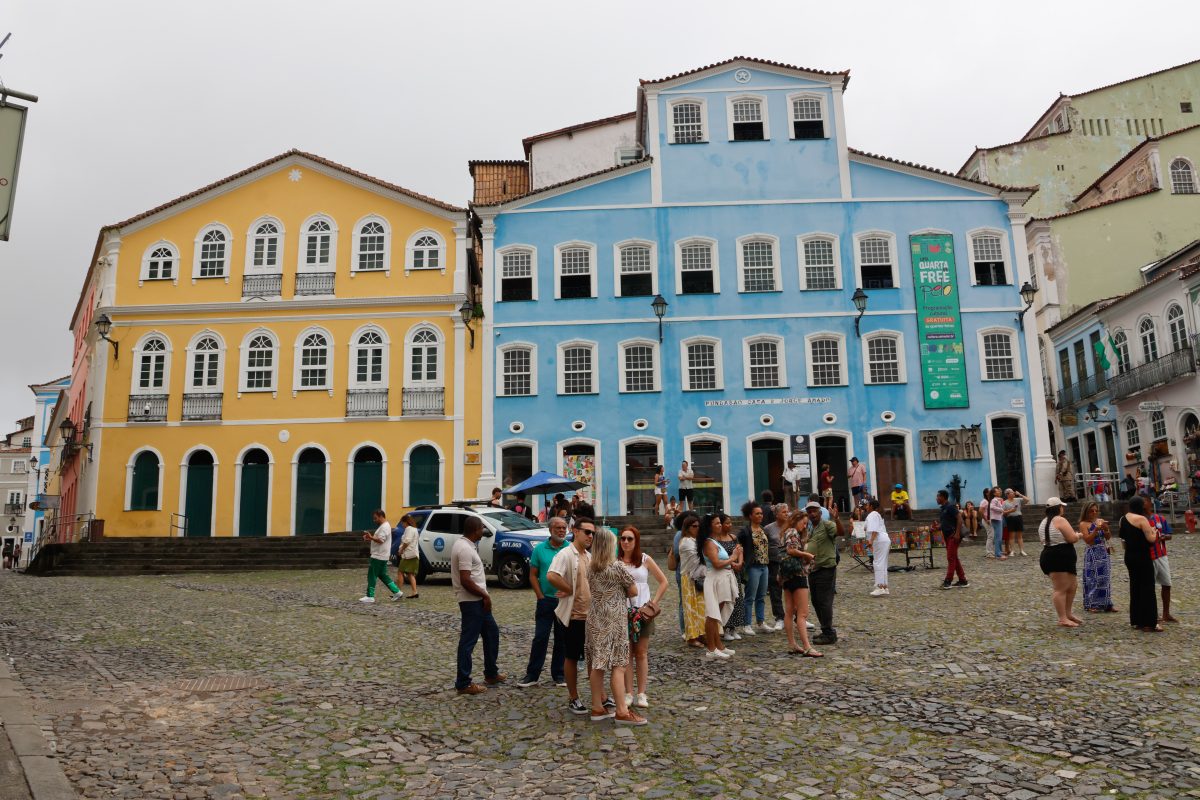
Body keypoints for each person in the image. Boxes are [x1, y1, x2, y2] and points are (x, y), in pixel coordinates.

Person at [547, 517, 609, 715]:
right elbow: (552, 575)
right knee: (572, 657)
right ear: (575, 531)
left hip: (591, 616)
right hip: (574, 616)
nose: (591, 536)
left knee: (594, 658)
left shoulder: (589, 556)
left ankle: (600, 696)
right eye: (587, 532)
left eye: (593, 533)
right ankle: (573, 698)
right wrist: (569, 589)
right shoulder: (566, 554)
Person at [584, 527, 645, 725]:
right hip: (614, 621)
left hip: (595, 619)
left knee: (597, 664)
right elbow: (633, 591)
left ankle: (597, 707)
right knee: (619, 665)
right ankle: (621, 711)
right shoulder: (617, 567)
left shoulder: (590, 567)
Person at [452, 517, 504, 694]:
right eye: (482, 528)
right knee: (468, 641)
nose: (483, 530)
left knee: (492, 633)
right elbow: (466, 580)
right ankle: (463, 683)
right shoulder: (464, 549)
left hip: (478, 601)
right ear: (475, 530)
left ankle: (491, 673)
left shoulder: (467, 545)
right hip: (472, 601)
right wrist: (484, 595)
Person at [517, 517, 570, 689]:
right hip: (545, 600)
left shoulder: (569, 549)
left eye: (564, 527)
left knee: (562, 639)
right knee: (540, 637)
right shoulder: (539, 549)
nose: (562, 530)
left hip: (563, 601)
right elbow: (533, 574)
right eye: (558, 528)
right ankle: (532, 674)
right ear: (550, 530)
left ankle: (559, 674)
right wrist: (539, 595)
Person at [618, 526, 667, 709]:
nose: (626, 542)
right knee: (626, 654)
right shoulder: (616, 562)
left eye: (630, 539)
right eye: (623, 538)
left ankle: (641, 693)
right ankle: (628, 692)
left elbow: (664, 581)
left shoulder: (645, 559)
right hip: (623, 612)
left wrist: (652, 604)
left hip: (643, 613)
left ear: (636, 541)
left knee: (641, 653)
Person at [697, 513, 740, 659]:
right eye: (716, 523)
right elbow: (716, 563)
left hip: (721, 579)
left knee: (717, 615)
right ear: (709, 526)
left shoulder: (715, 542)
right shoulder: (709, 543)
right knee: (712, 615)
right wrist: (733, 558)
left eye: (720, 523)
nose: (720, 525)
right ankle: (711, 648)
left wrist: (733, 560)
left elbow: (722, 561)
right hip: (714, 579)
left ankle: (719, 646)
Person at [778, 511, 820, 656]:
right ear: (796, 520)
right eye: (804, 522)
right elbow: (791, 550)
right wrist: (806, 555)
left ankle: (792, 644)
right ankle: (807, 647)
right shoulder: (793, 532)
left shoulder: (785, 532)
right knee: (802, 613)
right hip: (797, 574)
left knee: (789, 611)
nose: (805, 526)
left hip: (786, 575)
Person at [1037, 497, 1083, 628]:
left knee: (1072, 585)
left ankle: (1068, 614)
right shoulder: (1060, 520)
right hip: (1058, 556)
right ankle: (1063, 618)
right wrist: (1078, 535)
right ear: (1058, 508)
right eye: (1062, 506)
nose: (1063, 509)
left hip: (1054, 554)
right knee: (1060, 589)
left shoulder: (1044, 522)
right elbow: (1072, 538)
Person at [804, 500, 844, 645]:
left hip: (826, 568)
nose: (812, 514)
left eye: (815, 511)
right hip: (814, 569)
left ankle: (828, 633)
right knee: (816, 601)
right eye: (809, 512)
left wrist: (837, 518)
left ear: (820, 513)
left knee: (824, 601)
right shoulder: (811, 529)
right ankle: (826, 630)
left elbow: (841, 532)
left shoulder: (827, 525)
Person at [1119, 497, 1161, 632]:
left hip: (1130, 555)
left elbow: (1123, 540)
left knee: (1135, 586)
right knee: (1147, 587)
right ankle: (1149, 622)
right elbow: (1151, 539)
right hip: (1142, 555)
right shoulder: (1142, 519)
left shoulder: (1123, 518)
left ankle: (1136, 620)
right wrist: (1154, 532)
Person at [737, 502, 774, 632]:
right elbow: (738, 545)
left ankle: (760, 622)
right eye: (757, 514)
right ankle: (746, 624)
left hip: (764, 566)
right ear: (750, 516)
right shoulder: (745, 531)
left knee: (761, 596)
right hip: (753, 567)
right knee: (750, 596)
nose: (760, 516)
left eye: (761, 513)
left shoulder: (763, 530)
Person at [674, 514, 707, 649]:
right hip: (688, 578)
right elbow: (699, 555)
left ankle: (701, 633)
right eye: (694, 526)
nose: (697, 528)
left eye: (699, 526)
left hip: (698, 577)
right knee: (690, 609)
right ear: (687, 528)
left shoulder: (696, 540)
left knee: (701, 607)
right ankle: (692, 637)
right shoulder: (686, 541)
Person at [1078, 502, 1115, 613]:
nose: (1094, 513)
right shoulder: (1083, 524)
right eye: (1091, 511)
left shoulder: (1100, 521)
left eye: (1096, 510)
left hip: (1103, 552)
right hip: (1092, 553)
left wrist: (1106, 529)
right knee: (1093, 578)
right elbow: (1088, 540)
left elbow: (1108, 537)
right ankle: (1092, 603)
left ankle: (1106, 603)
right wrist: (1095, 530)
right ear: (1086, 512)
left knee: (1105, 578)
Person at [713, 514, 746, 641]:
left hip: (735, 573)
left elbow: (739, 550)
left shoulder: (733, 537)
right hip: (724, 571)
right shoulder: (716, 540)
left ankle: (733, 628)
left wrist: (739, 563)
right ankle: (724, 628)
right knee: (726, 599)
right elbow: (719, 557)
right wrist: (732, 563)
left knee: (737, 599)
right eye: (727, 523)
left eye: (730, 523)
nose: (730, 525)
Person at [359, 510, 403, 603]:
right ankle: (397, 591)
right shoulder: (385, 526)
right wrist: (370, 538)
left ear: (381, 516)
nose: (374, 520)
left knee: (372, 575)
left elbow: (381, 540)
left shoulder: (384, 527)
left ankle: (370, 596)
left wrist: (371, 537)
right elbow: (380, 540)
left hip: (378, 555)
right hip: (383, 555)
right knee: (383, 575)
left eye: (375, 518)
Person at [1146, 508, 1177, 623]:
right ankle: (1152, 614)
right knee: (1149, 586)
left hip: (1161, 555)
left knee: (1167, 584)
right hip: (1148, 556)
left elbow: (1169, 535)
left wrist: (1163, 537)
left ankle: (1166, 614)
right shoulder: (1141, 520)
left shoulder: (1160, 519)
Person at [762, 503, 789, 631]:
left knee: (793, 589)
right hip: (774, 563)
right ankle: (779, 617)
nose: (786, 514)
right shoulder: (768, 528)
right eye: (784, 512)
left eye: (787, 511)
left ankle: (798, 616)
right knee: (775, 591)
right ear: (776, 514)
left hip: (789, 562)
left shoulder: (791, 526)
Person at [937, 490, 968, 589]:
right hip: (947, 536)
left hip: (953, 535)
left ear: (943, 497)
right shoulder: (943, 509)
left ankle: (948, 581)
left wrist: (957, 533)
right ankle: (963, 580)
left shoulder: (950, 507)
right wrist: (937, 527)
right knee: (954, 557)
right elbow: (945, 522)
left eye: (938, 496)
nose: (936, 498)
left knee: (950, 557)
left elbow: (959, 519)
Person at [864, 497, 891, 596]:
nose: (866, 507)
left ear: (871, 506)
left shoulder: (873, 514)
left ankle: (879, 587)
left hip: (879, 540)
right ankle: (884, 586)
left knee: (878, 563)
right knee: (882, 563)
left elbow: (874, 529)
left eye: (867, 505)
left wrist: (870, 541)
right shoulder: (877, 515)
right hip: (884, 540)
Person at [396, 513, 420, 599]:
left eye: (402, 522)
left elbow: (407, 541)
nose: (402, 524)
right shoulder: (415, 529)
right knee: (410, 574)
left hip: (408, 555)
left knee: (400, 572)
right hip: (414, 554)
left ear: (406, 522)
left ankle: (398, 592)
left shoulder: (408, 529)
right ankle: (414, 592)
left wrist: (401, 550)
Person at [1003, 488, 1028, 557]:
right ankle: (1012, 551)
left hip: (1018, 517)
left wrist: (1020, 494)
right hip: (1010, 518)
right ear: (1007, 494)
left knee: (1020, 536)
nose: (1013, 493)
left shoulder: (1018, 499)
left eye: (1013, 492)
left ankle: (1022, 550)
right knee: (1012, 536)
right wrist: (1011, 511)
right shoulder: (1005, 502)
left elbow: (1027, 500)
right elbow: (1003, 512)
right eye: (1011, 492)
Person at [988, 487, 1007, 560]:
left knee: (999, 537)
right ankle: (998, 554)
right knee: (998, 537)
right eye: (997, 491)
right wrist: (1001, 509)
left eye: (999, 491)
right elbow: (992, 507)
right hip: (996, 519)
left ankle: (999, 552)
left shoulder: (996, 499)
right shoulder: (994, 500)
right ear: (994, 493)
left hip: (998, 518)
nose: (999, 492)